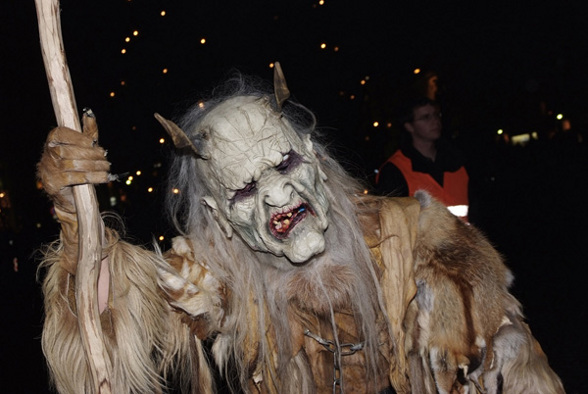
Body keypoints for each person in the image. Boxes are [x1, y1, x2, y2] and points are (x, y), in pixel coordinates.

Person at [37, 64, 564, 393]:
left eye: (285, 165)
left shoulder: (421, 237)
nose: (279, 196)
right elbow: (102, 344)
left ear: (312, 156)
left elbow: (513, 366)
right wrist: (76, 219)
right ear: (221, 216)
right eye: (244, 190)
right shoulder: (212, 278)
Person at [375, 97, 469, 221]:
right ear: (409, 127)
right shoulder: (395, 170)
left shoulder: (458, 163)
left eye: (436, 115)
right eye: (426, 117)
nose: (435, 121)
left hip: (462, 240)